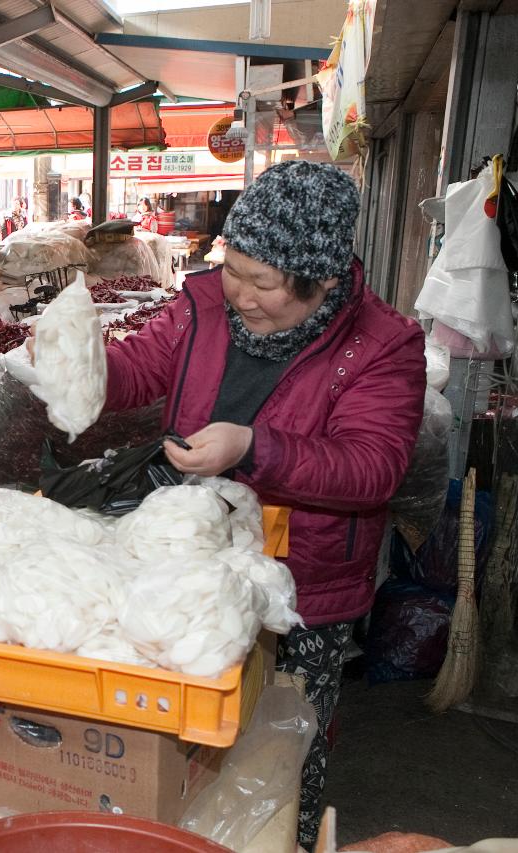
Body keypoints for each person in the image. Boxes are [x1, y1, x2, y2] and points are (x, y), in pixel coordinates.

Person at [97, 160, 425, 848]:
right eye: (233, 268)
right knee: (188, 743)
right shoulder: (203, 304)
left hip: (302, 589)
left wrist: (252, 447)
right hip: (193, 566)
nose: (237, 292)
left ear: (322, 282)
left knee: (280, 758)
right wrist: (82, 362)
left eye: (261, 281)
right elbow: (140, 369)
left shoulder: (383, 346)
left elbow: (374, 467)